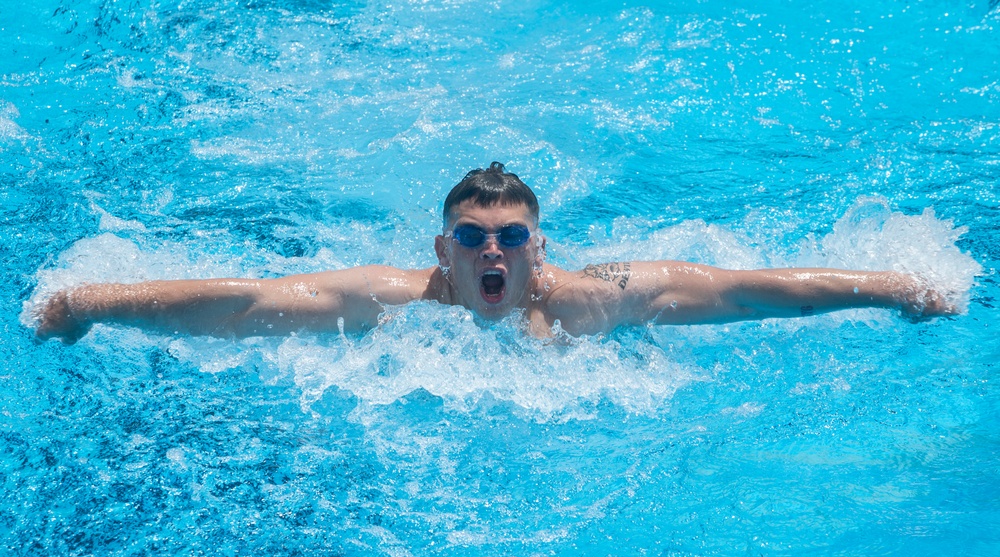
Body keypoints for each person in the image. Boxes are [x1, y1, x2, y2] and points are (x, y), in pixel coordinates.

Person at [34, 162, 953, 344]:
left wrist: (895, 287)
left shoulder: (596, 296)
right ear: (444, 248)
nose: (493, 253)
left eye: (511, 237)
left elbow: (749, 290)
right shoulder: (399, 299)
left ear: (537, 247)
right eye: (473, 238)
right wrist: (91, 301)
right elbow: (245, 303)